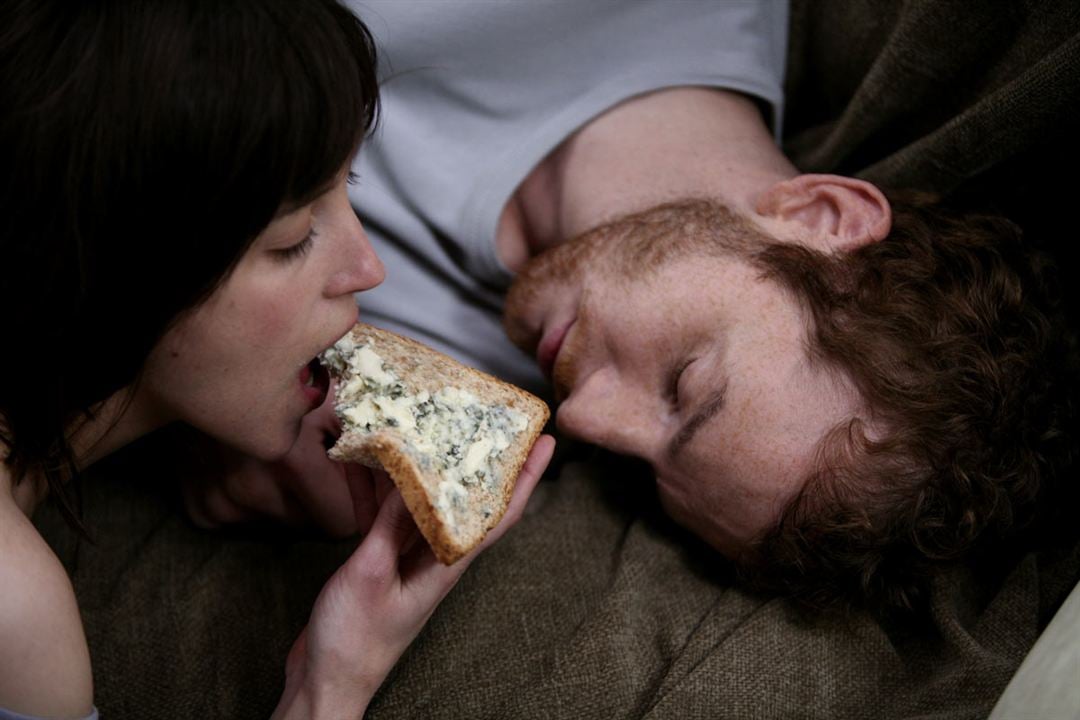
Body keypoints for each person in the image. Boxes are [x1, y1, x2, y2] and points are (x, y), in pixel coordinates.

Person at [192, 0, 1076, 617]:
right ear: (820, 218)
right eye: (685, 384)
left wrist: (247, 447)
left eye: (644, 470)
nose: (581, 415)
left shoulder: (432, 391)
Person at [0, 2, 553, 718]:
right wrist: (334, 687)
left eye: (347, 188)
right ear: (117, 265)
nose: (368, 267)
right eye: (293, 238)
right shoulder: (17, 618)